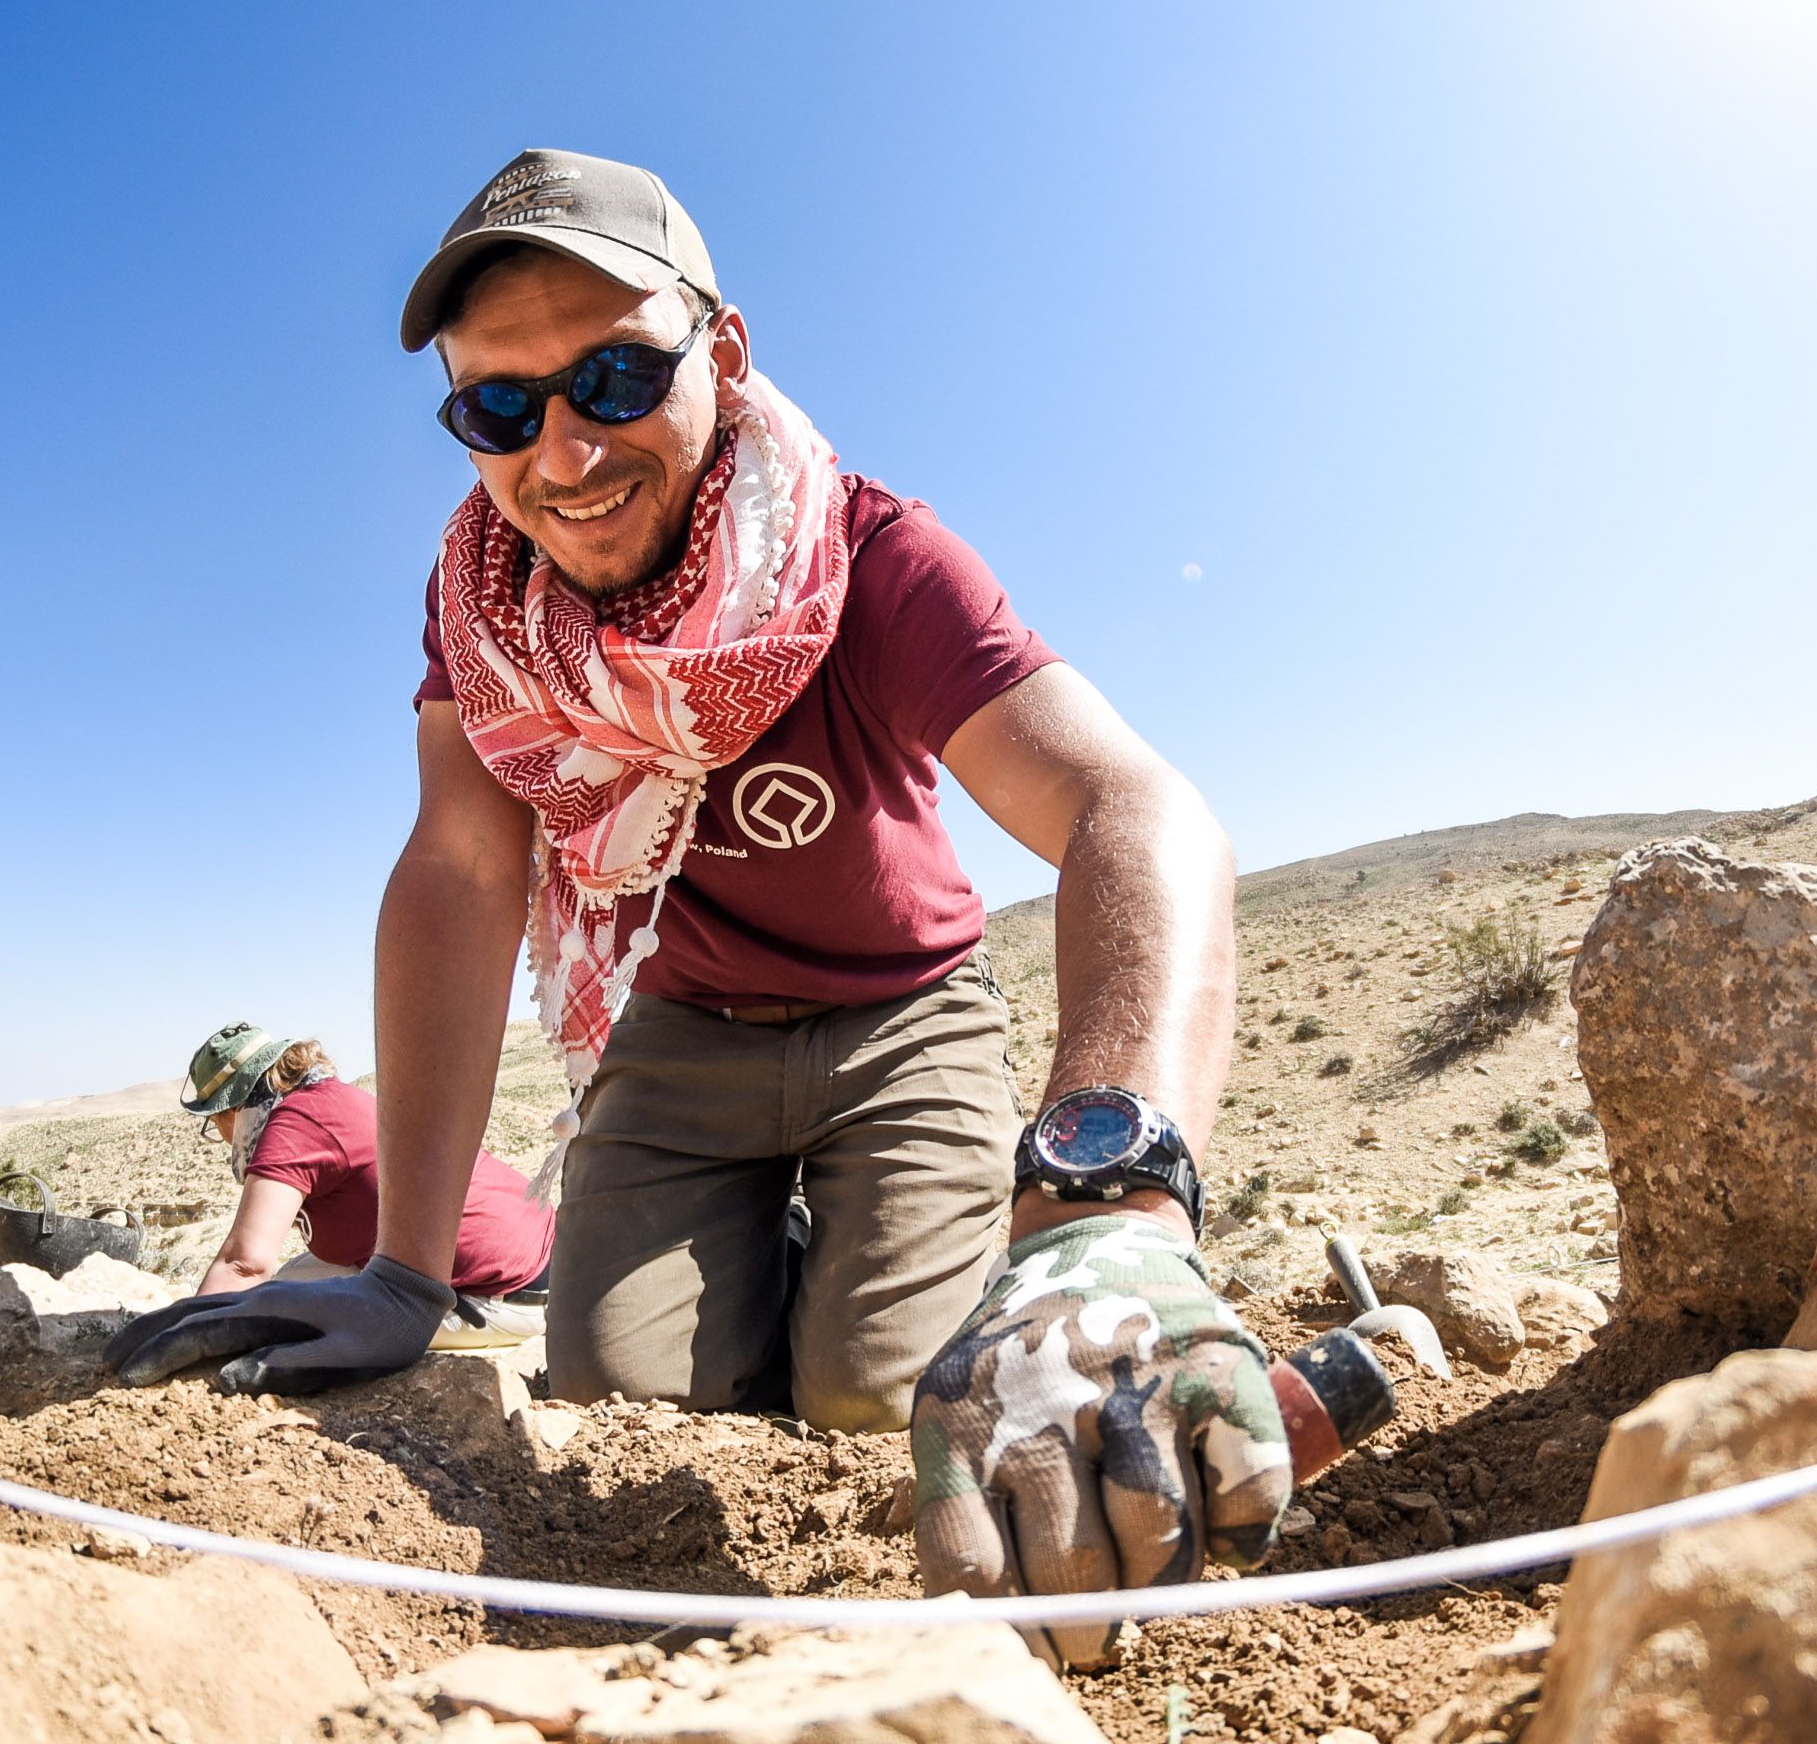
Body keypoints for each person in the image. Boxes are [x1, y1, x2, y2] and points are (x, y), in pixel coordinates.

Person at [108, 149, 1274, 1663]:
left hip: (898, 1017)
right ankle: (781, 1265)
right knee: (619, 1399)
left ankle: (883, 1262)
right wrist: (401, 1271)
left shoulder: (870, 554)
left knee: (879, 1402)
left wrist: (1108, 1209)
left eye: (612, 376)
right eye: (500, 409)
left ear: (721, 356)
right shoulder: (481, 606)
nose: (565, 453)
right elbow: (463, 871)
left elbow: (1137, 813)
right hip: (676, 1028)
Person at [177, 1022, 551, 1348]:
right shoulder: (323, 1100)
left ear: (232, 1110)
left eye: (214, 1122)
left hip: (491, 1296)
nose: (222, 1136)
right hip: (542, 1267)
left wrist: (181, 1336)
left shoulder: (292, 1127)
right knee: (290, 1282)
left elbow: (244, 1264)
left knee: (276, 1316)